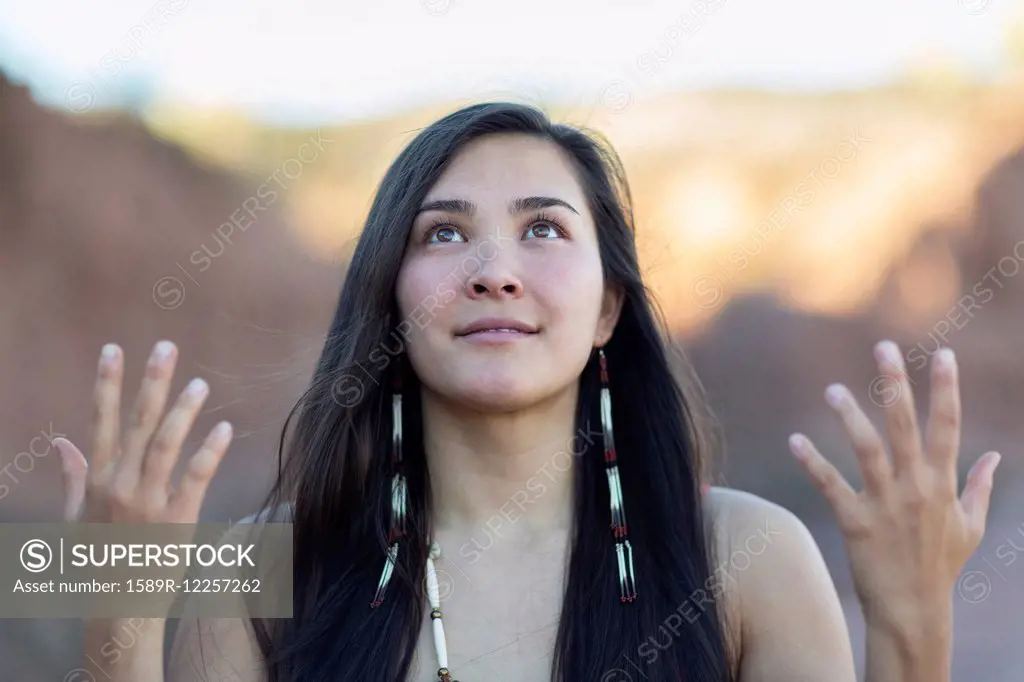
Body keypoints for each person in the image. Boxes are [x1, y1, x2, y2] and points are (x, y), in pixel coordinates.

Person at [60, 102, 1001, 682]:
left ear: (607, 309)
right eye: (442, 235)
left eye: (544, 230)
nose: (495, 272)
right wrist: (115, 598)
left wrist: (913, 625)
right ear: (388, 296)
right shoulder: (267, 565)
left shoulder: (748, 557)